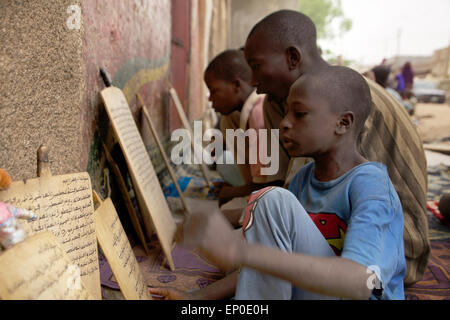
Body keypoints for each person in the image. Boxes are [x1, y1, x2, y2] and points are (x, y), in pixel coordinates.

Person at [180, 66, 406, 300]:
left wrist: (240, 251)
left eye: (299, 114)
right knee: (267, 205)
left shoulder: (372, 186)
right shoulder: (303, 178)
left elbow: (361, 283)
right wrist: (196, 298)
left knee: (270, 200)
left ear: (343, 123)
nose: (284, 123)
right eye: (286, 113)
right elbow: (268, 266)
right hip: (317, 292)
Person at [243, 10, 429, 285]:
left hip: (386, 253)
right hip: (325, 236)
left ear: (293, 58)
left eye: (256, 66)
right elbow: (286, 193)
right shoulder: (277, 103)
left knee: (257, 244)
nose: (254, 82)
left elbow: (358, 217)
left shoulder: (355, 101)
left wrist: (242, 248)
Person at [204, 49, 284, 222]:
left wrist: (233, 192)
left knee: (222, 216)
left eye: (214, 91)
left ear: (236, 85)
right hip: (265, 186)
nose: (210, 99)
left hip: (277, 194)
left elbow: (273, 185)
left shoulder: (258, 113)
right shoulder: (249, 111)